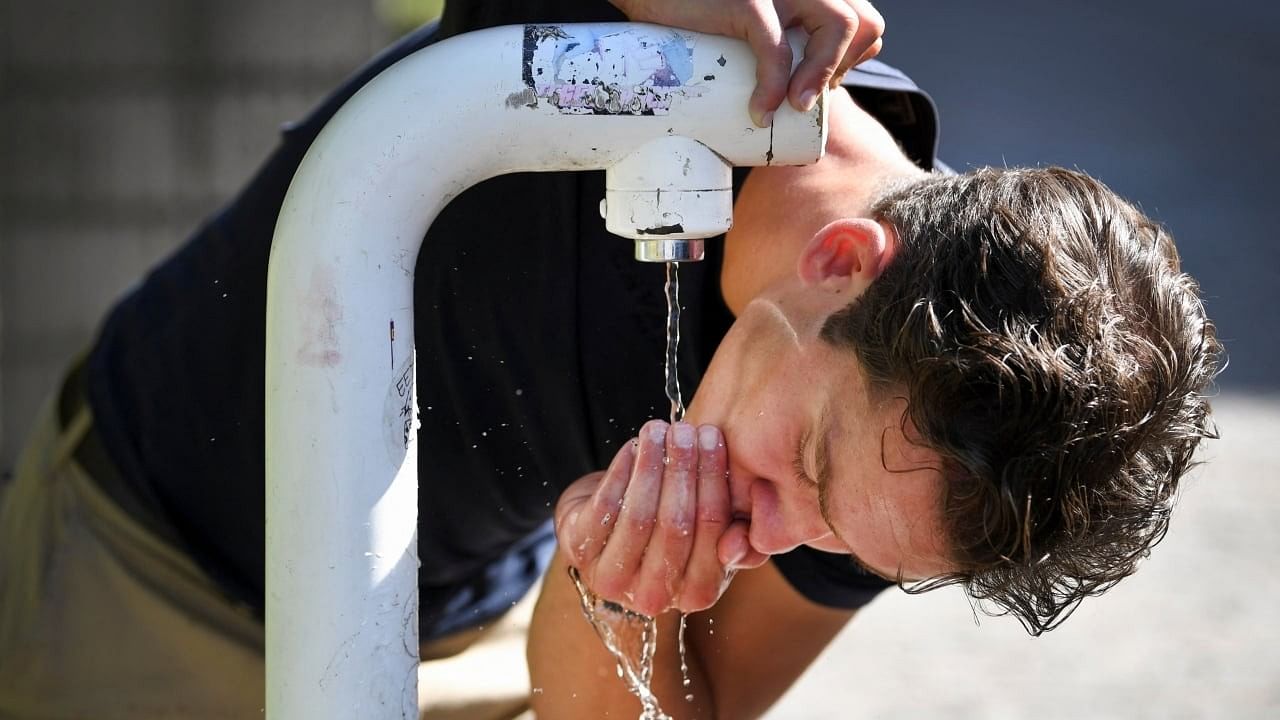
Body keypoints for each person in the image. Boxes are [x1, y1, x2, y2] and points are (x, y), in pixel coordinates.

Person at [0, 2, 1219, 720]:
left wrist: (611, 598)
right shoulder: (672, 42)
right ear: (844, 261)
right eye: (804, 466)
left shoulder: (901, 477)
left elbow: (643, 715)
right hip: (143, 560)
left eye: (849, 550)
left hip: (456, 636)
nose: (785, 537)